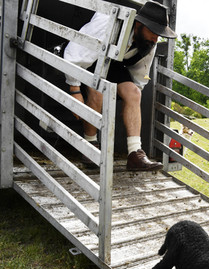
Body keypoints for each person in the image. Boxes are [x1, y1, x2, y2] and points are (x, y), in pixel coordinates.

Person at [64, 1, 177, 171]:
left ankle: (135, 154)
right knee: (98, 89)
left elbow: (140, 74)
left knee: (133, 93)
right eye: (153, 31)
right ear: (139, 24)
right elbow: (75, 52)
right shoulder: (108, 23)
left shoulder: (148, 42)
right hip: (91, 57)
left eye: (159, 34)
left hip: (114, 64)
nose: (156, 38)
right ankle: (90, 146)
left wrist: (130, 103)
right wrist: (74, 89)